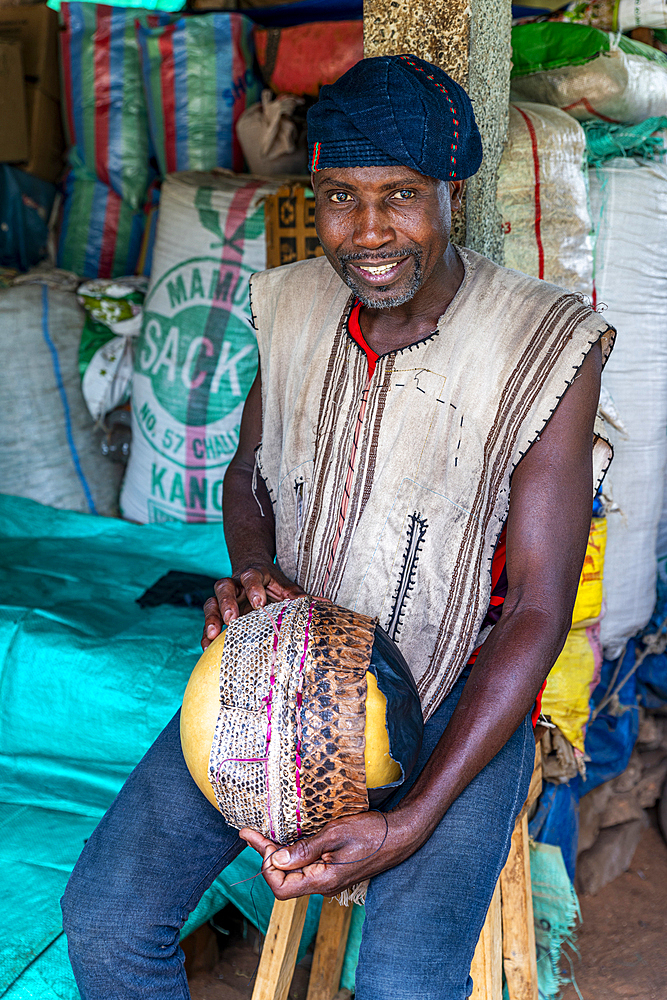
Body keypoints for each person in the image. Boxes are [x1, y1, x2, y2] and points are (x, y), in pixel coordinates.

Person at [62, 55, 614, 1000]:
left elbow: (534, 610)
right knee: (108, 923)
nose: (367, 232)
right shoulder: (289, 304)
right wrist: (254, 574)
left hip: (458, 698)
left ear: (453, 191)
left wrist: (407, 824)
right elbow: (248, 473)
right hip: (283, 675)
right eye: (337, 197)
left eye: (400, 195)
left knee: (403, 985)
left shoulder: (545, 341)